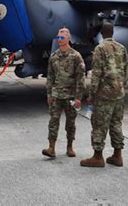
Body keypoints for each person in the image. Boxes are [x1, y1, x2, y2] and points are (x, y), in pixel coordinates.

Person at [81, 23, 128, 167]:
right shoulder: (122, 48)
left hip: (104, 94)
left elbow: (96, 74)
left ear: (101, 34)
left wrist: (91, 94)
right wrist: (120, 86)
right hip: (119, 93)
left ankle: (97, 157)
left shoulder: (100, 48)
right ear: (113, 33)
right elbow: (126, 71)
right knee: (116, 123)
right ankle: (117, 155)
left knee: (99, 125)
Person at [43, 27, 85, 158]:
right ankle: (51, 147)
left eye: (62, 37)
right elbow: (50, 76)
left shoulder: (75, 56)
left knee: (70, 123)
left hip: (71, 96)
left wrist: (78, 97)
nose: (59, 40)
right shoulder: (53, 56)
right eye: (58, 37)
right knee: (53, 121)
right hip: (56, 95)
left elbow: (80, 78)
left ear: (68, 39)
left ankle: (70, 147)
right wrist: (49, 94)